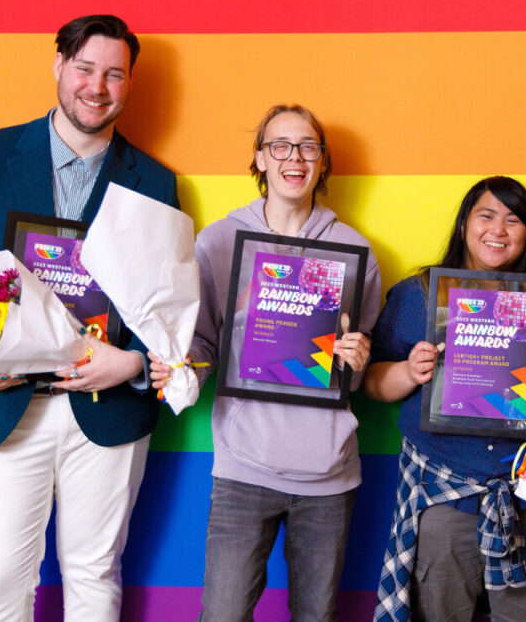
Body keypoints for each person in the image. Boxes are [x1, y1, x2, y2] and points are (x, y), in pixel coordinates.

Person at [0, 15, 178, 620]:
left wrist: (133, 361)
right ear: (59, 64)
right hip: (4, 409)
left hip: (108, 415)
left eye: (114, 74)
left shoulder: (156, 183)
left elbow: (168, 312)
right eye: (85, 68)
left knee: (95, 576)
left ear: (129, 84)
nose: (97, 87)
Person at [150, 104, 382, 621]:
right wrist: (183, 367)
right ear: (259, 158)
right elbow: (204, 346)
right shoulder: (217, 242)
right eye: (280, 145)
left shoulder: (355, 251)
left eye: (307, 147)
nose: (293, 158)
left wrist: (358, 357)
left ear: (322, 162)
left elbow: (356, 373)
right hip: (243, 467)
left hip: (328, 476)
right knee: (222, 615)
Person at [366, 176, 526, 622]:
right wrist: (406, 372)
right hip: (443, 494)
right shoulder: (419, 296)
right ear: (463, 225)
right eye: (486, 216)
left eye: (514, 220)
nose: (499, 229)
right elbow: (371, 382)